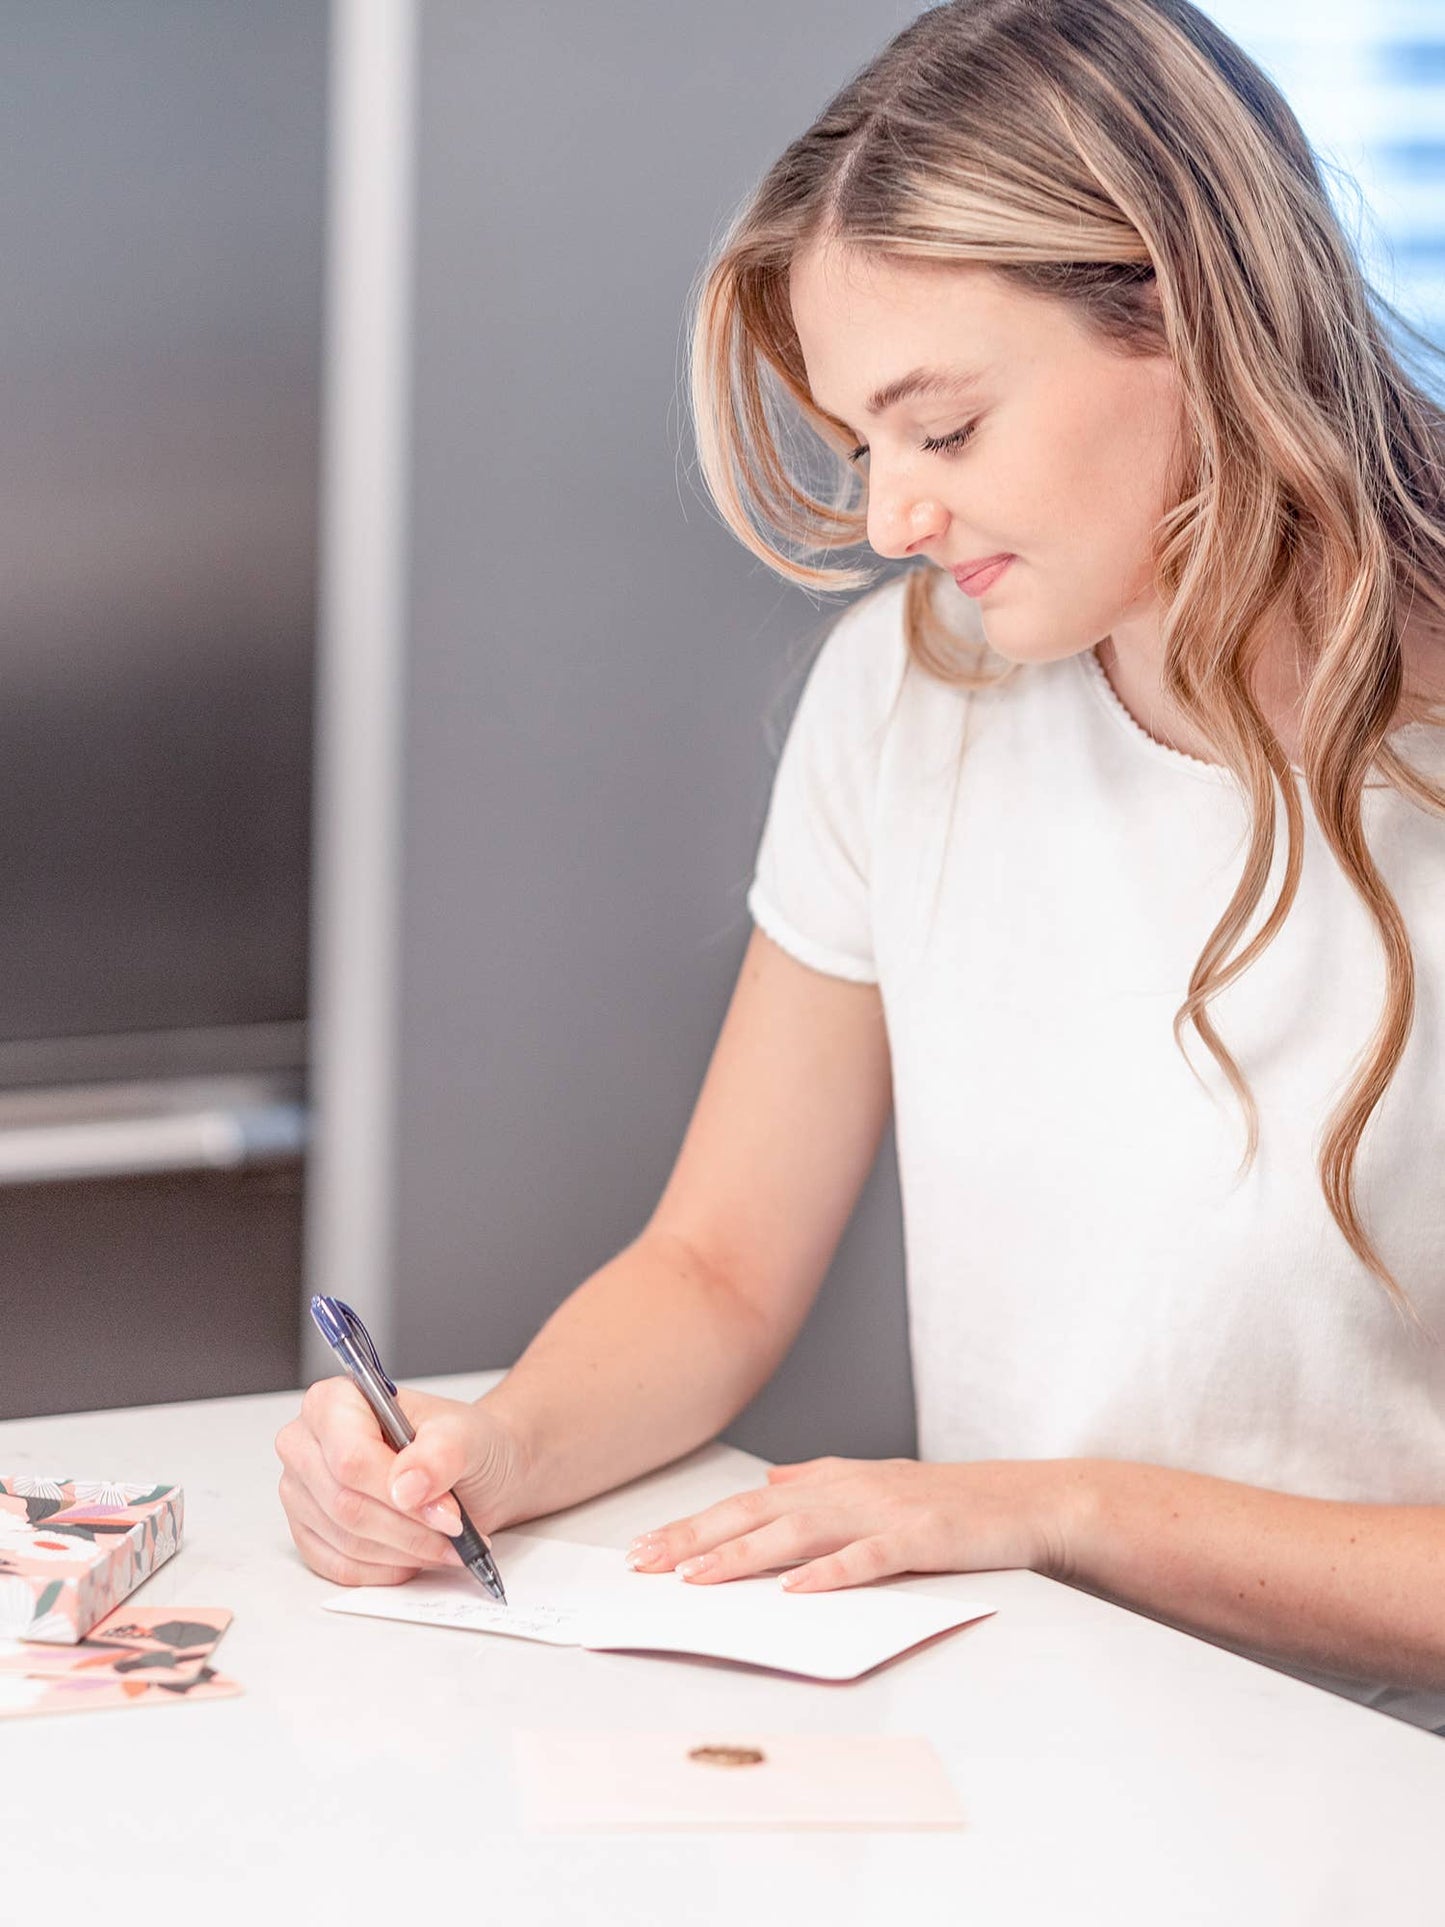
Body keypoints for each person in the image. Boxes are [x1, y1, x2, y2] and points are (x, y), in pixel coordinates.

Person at [275, 0, 1445, 1733]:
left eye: (944, 429)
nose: (892, 517)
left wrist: (1055, 1511)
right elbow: (716, 1267)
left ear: (1189, 316)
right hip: (1046, 1741)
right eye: (860, 444)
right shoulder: (909, 690)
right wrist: (487, 1452)